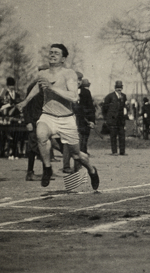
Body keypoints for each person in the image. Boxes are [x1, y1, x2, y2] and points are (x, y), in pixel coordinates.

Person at [17, 44, 99, 190]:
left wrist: (52, 87)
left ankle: (92, 170)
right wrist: (25, 101)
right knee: (41, 135)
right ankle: (47, 168)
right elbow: (38, 86)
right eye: (51, 52)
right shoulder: (43, 74)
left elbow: (74, 97)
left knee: (76, 155)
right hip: (48, 115)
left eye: (56, 53)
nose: (52, 55)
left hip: (66, 118)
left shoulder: (69, 74)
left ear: (63, 58)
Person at [102, 80, 128, 155]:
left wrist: (125, 116)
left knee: (122, 135)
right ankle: (114, 151)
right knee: (113, 136)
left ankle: (122, 151)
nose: (119, 89)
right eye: (117, 87)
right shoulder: (109, 96)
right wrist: (106, 117)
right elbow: (104, 108)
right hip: (112, 119)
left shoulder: (124, 96)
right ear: (115, 88)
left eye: (120, 87)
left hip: (121, 119)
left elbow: (125, 107)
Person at [76, 77, 96, 154]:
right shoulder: (67, 91)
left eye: (79, 80)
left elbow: (91, 107)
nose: (78, 82)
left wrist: (92, 120)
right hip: (71, 118)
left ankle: (83, 152)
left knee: (84, 136)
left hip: (84, 119)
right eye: (76, 80)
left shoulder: (86, 92)